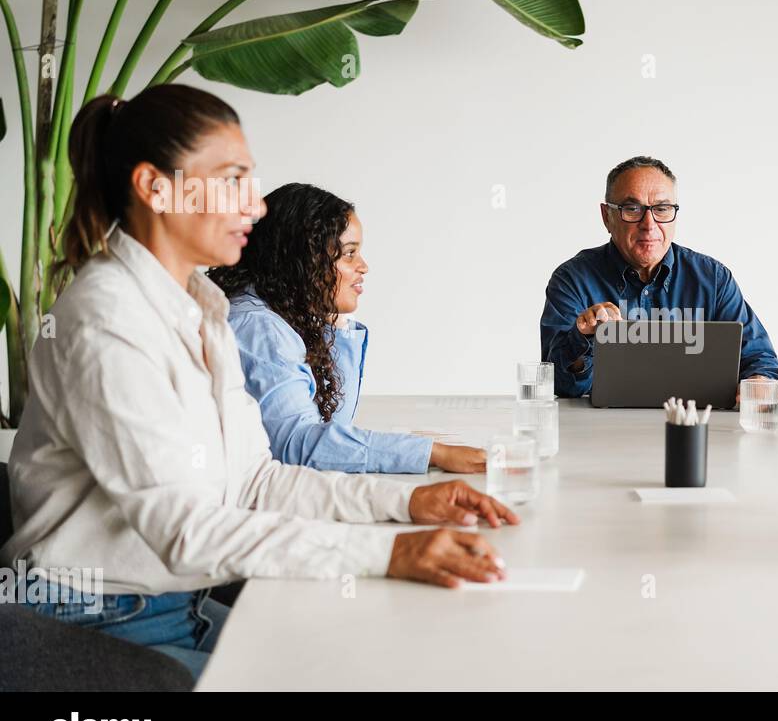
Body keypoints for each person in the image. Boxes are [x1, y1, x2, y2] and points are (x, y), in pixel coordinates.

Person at [0, 85, 516, 680]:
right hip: (89, 626)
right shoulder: (104, 321)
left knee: (363, 660)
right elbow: (184, 530)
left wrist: (405, 501)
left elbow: (255, 479)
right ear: (154, 187)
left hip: (173, 608)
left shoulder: (202, 308)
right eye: (232, 180)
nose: (256, 206)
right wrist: (389, 550)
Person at [208, 183, 484, 475]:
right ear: (305, 258)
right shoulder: (260, 329)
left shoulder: (280, 316)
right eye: (349, 254)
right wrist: (431, 453)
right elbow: (297, 446)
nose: (363, 266)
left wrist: (333, 318)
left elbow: (334, 426)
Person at [541, 155, 778, 405]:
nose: (649, 224)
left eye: (662, 209)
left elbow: (764, 362)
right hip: (601, 436)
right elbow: (558, 385)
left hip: (700, 430)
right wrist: (582, 337)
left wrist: (760, 381)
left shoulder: (713, 279)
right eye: (632, 209)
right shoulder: (572, 280)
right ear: (607, 216)